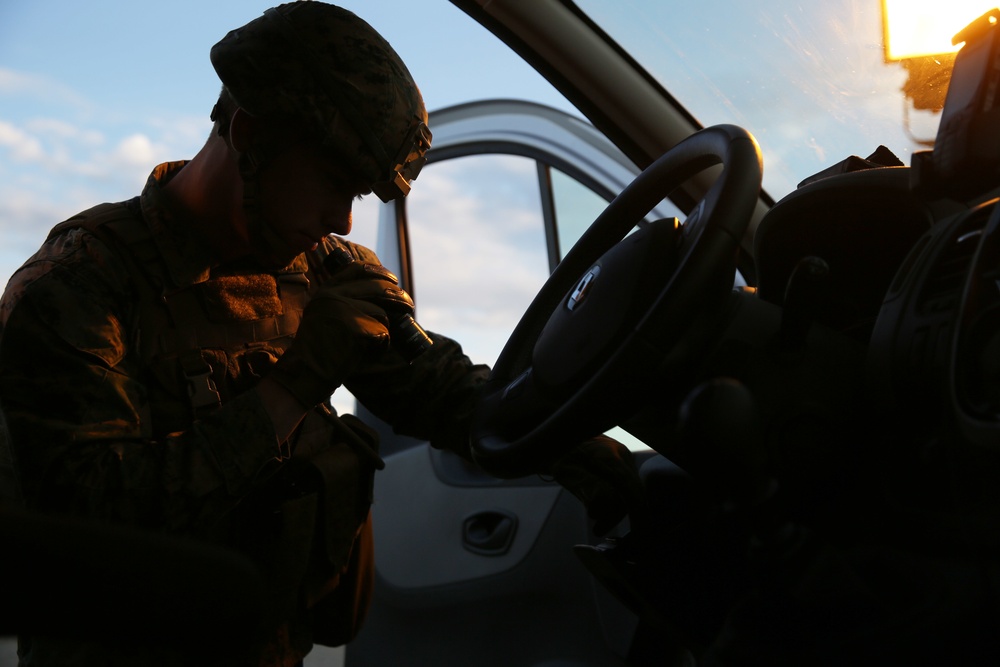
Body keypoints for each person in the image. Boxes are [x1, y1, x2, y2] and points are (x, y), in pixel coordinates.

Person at [0, 2, 643, 665]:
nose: (342, 220)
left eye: (357, 196)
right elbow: (83, 533)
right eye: (333, 183)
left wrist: (570, 443)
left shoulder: (324, 270)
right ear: (249, 135)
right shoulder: (75, 288)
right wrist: (295, 382)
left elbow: (442, 390)